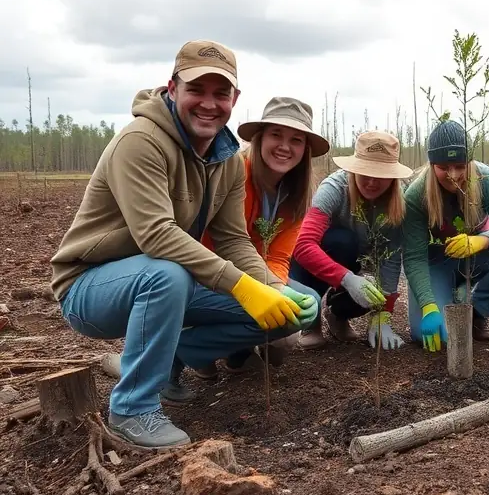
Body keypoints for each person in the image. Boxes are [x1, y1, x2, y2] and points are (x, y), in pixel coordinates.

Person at [50, 40, 318, 448]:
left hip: (166, 281)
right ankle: (133, 409)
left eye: (220, 93)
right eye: (197, 90)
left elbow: (232, 239)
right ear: (173, 89)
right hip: (90, 287)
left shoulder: (226, 159)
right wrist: (243, 287)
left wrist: (273, 287)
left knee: (285, 311)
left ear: (235, 99)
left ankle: (168, 357)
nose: (208, 103)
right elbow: (156, 234)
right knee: (166, 273)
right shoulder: (140, 142)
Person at [193, 96, 330, 375]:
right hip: (207, 275)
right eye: (276, 135)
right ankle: (182, 352)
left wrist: (277, 290)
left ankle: (237, 355)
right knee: (281, 321)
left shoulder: (296, 193)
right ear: (259, 138)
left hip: (255, 275)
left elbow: (278, 255)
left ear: (305, 149)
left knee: (305, 307)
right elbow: (214, 245)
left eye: (296, 140)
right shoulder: (234, 173)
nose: (284, 146)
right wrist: (260, 293)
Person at [403, 120, 489, 352]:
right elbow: (414, 257)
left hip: (476, 256)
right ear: (432, 164)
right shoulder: (416, 194)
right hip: (437, 262)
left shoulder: (485, 179)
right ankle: (446, 300)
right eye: (443, 167)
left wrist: (481, 240)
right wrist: (429, 307)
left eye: (460, 166)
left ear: (469, 161)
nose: (453, 175)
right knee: (427, 336)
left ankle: (476, 314)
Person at [290, 130, 411, 351]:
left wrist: (382, 316)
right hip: (316, 259)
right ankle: (311, 322)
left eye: (381, 174)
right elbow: (303, 244)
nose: (372, 182)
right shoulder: (334, 188)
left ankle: (337, 315)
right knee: (342, 241)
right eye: (365, 172)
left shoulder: (399, 200)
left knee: (373, 290)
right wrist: (347, 279)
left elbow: (391, 259)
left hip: (355, 266)